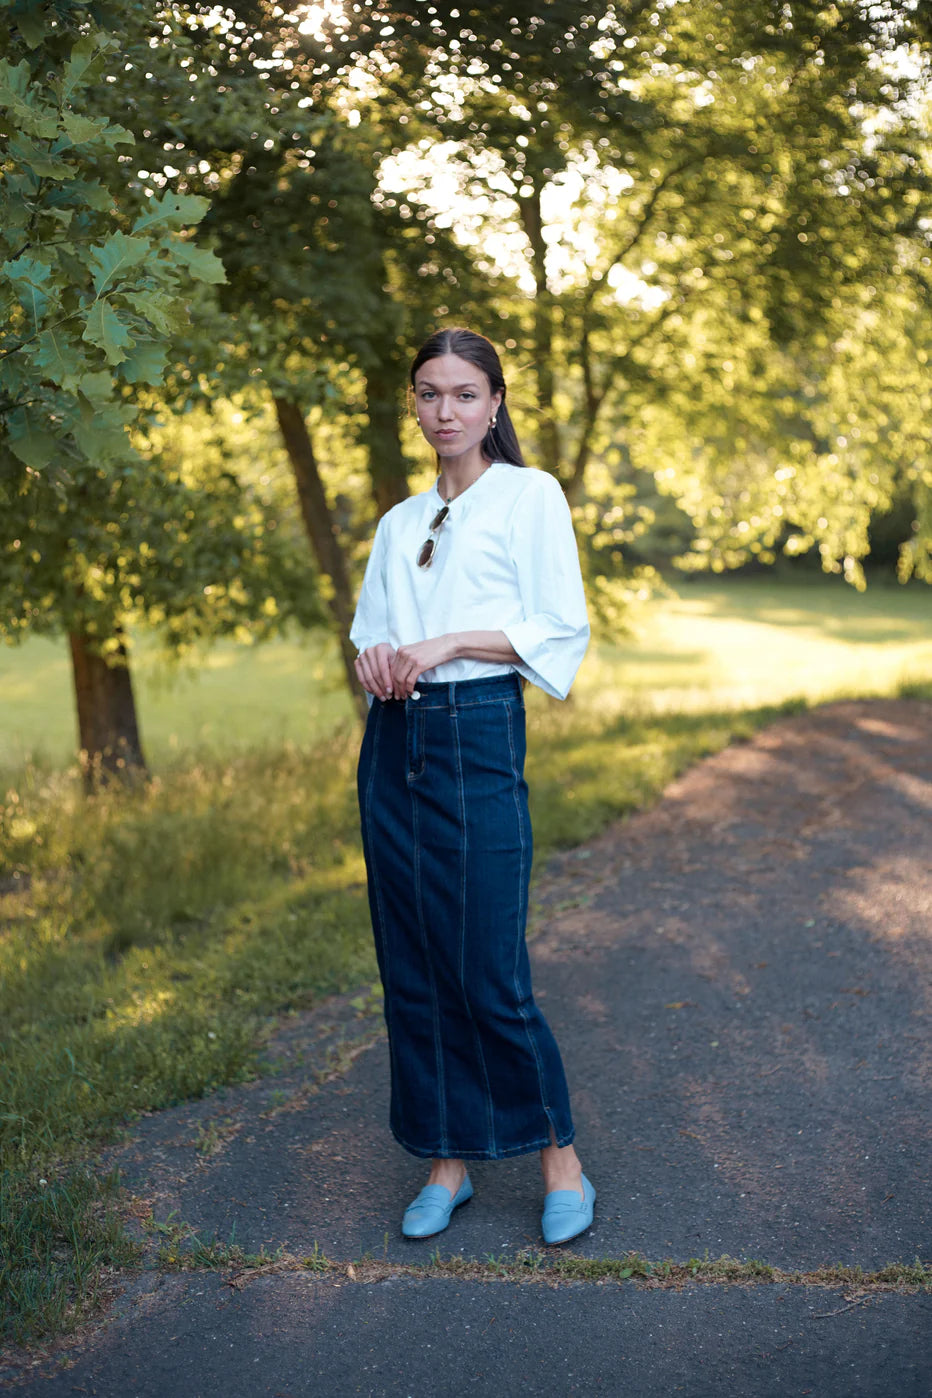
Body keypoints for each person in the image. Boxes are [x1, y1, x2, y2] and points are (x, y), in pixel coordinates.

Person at [350, 326, 595, 1246]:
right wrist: (381, 658)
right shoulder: (399, 522)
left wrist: (447, 642)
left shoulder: (530, 497)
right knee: (411, 966)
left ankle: (560, 1160)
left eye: (462, 393)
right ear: (412, 404)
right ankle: (447, 1163)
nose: (443, 411)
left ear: (495, 402)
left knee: (488, 970)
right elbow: (373, 633)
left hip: (478, 730)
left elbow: (556, 627)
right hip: (395, 742)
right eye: (427, 393)